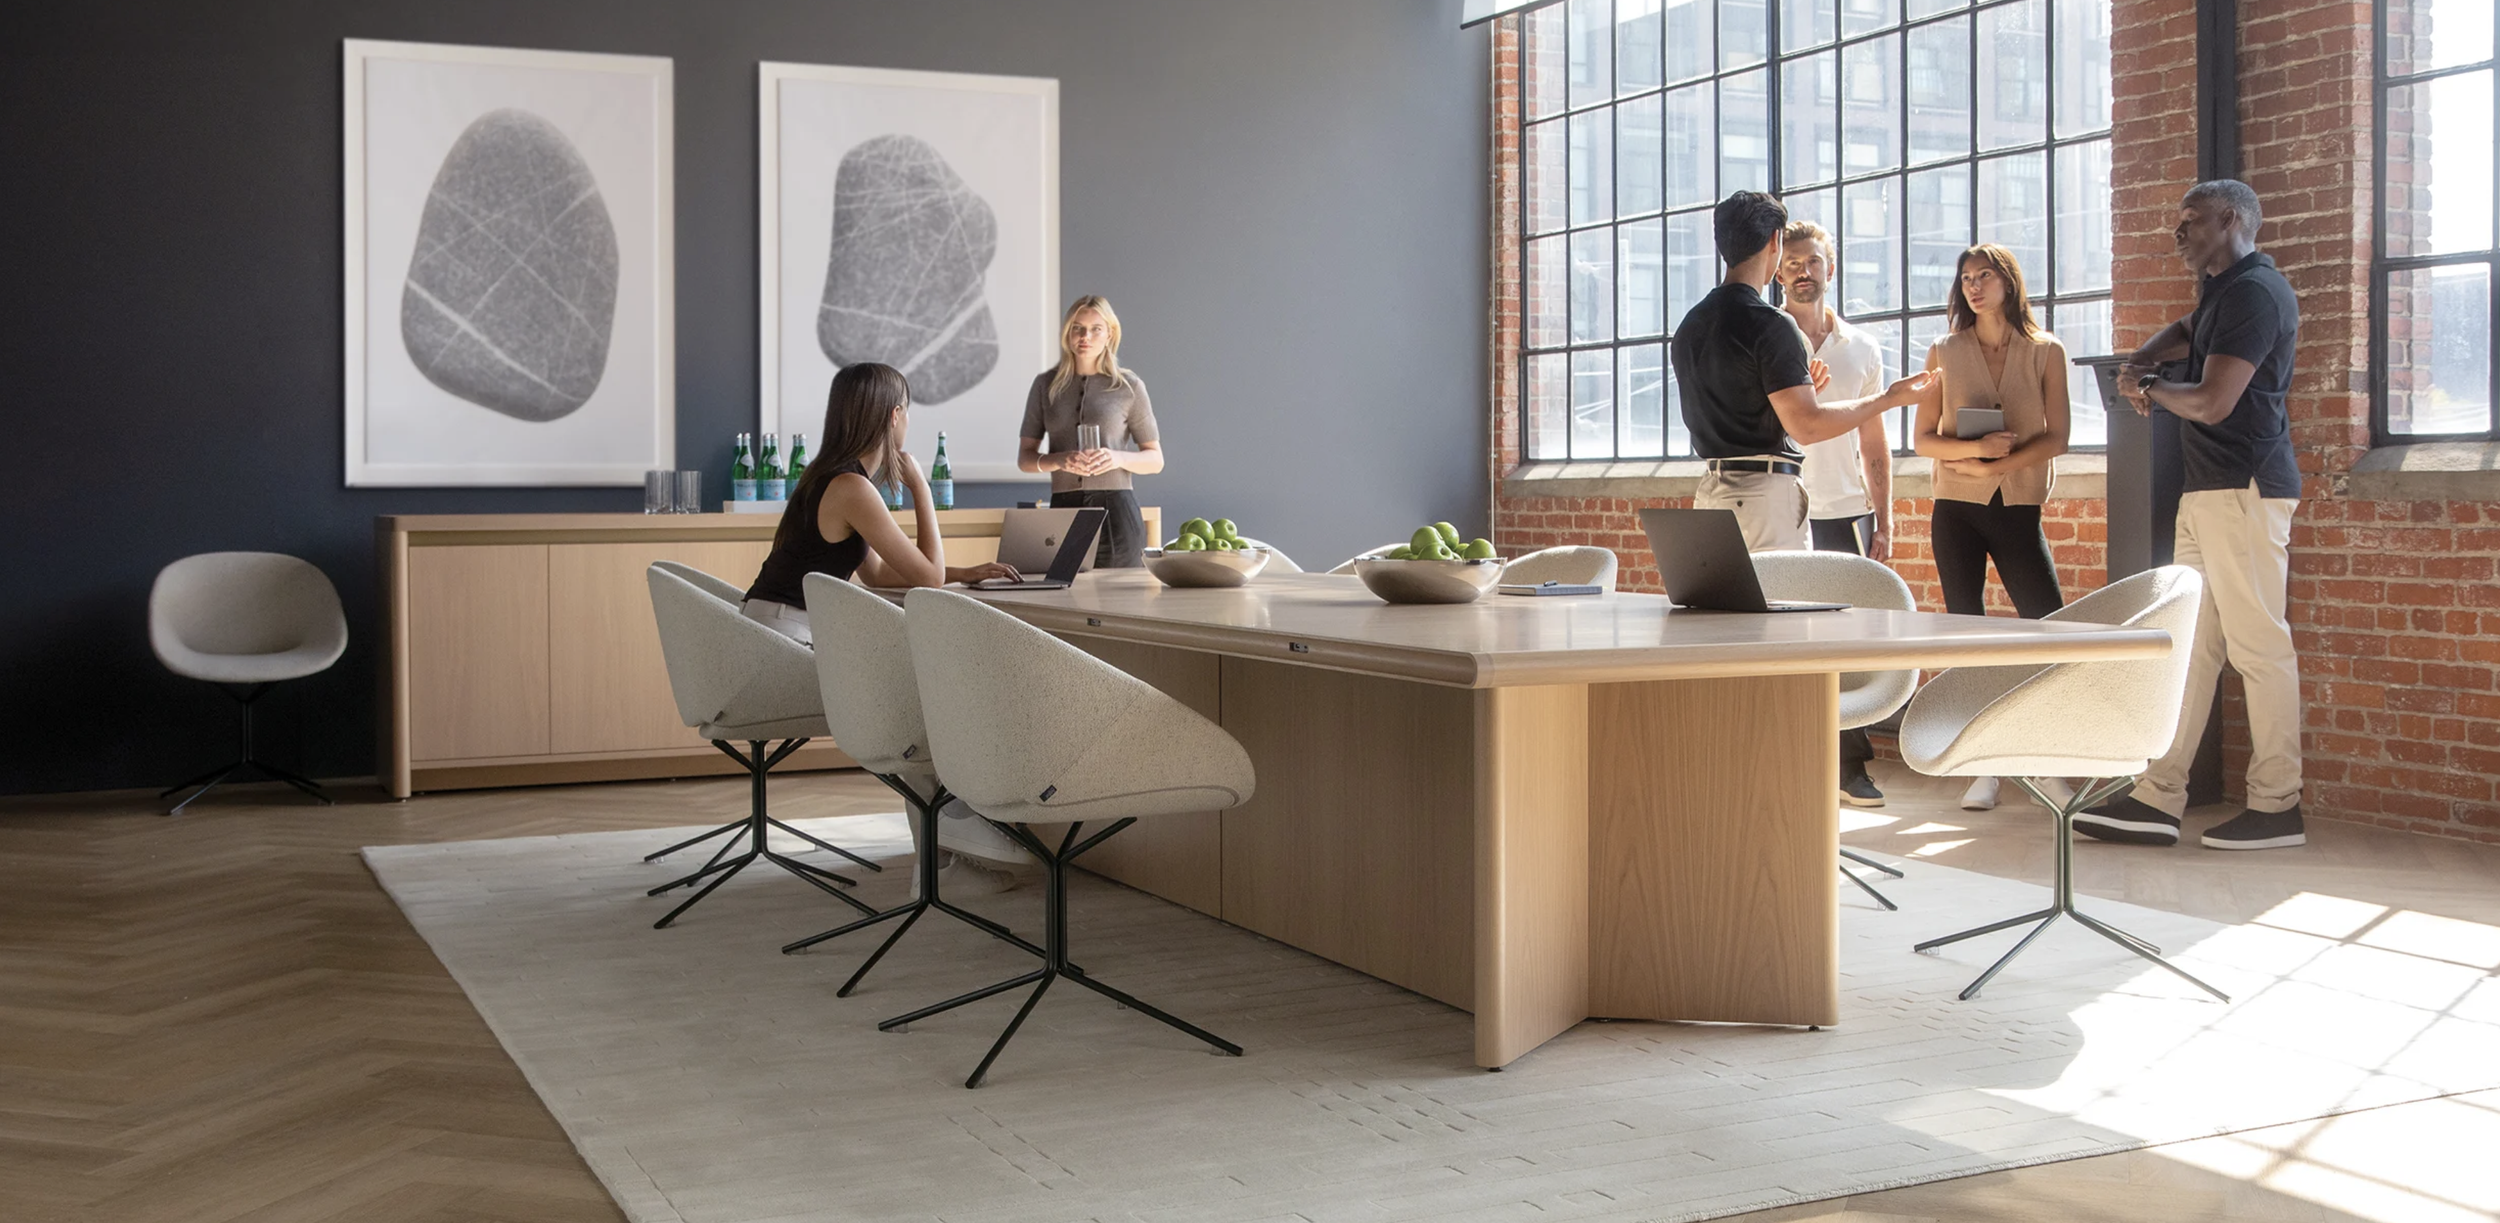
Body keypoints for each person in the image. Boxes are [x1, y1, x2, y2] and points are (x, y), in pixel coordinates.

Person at [2080, 180, 2306, 851]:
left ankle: (2278, 804)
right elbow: (2185, 331)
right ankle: (2157, 797)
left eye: (2189, 221)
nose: (2177, 234)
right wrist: (2143, 360)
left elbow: (2212, 402)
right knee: (2193, 647)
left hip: (2244, 488)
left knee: (2260, 647)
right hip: (2208, 490)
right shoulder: (2223, 293)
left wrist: (2149, 386)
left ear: (2230, 219)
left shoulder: (2256, 292)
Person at [1672, 192, 1931, 554]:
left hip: (1712, 495)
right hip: (1764, 502)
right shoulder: (1771, 324)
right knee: (1783, 592)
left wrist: (1795, 394)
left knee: (1724, 594)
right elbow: (1807, 427)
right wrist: (1889, 399)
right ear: (1774, 242)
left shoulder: (1690, 325)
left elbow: (1735, 406)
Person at [1912, 244, 2072, 811]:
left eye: (1984, 276)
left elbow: (2058, 437)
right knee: (1967, 635)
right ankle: (1983, 765)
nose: (1974, 286)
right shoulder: (1944, 350)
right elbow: (1922, 439)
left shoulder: (2045, 351)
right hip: (1955, 510)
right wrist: (1974, 450)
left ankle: (2050, 764)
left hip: (2018, 507)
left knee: (2048, 630)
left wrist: (1998, 466)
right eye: (1966, 278)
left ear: (2009, 281)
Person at [741, 362, 1017, 645]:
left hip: (773, 623)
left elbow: (877, 573)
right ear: (894, 415)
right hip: (785, 632)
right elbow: (930, 578)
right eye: (906, 410)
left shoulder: (831, 476)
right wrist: (921, 488)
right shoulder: (852, 487)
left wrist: (965, 574)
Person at [1779, 219, 1895, 809]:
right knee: (1783, 638)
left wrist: (1886, 519)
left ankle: (1851, 767)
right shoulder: (1768, 337)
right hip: (1782, 510)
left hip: (1846, 512)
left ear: (1831, 268)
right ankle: (1788, 758)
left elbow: (1874, 441)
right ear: (1777, 272)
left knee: (1845, 641)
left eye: (1813, 261)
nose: (1803, 272)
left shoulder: (1864, 349)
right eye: (1792, 263)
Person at [1019, 295, 1164, 567]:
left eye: (1096, 328)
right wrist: (1059, 460)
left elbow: (1155, 459)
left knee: (1119, 593)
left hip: (1117, 512)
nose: (1085, 336)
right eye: (1078, 328)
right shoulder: (1045, 385)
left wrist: (1117, 458)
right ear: (1068, 333)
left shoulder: (1129, 386)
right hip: (1063, 510)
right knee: (1064, 591)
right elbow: (1025, 459)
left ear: (1110, 334)